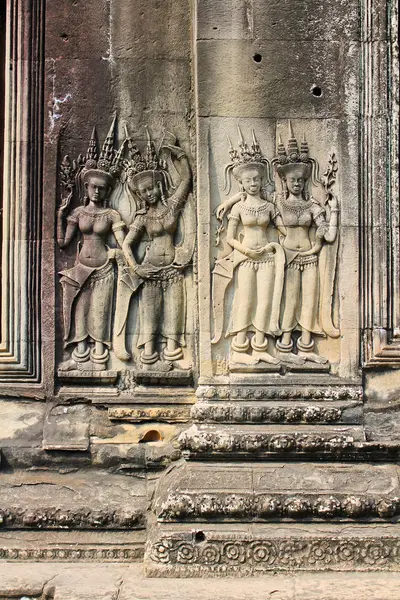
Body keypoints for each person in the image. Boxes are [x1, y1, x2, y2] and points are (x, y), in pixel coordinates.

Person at [212, 129, 285, 365]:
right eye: (248, 180)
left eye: (257, 179)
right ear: (241, 183)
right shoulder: (239, 208)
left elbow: (283, 229)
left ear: (262, 180)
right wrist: (245, 250)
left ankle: (261, 345)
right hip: (245, 257)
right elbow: (230, 239)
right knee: (245, 299)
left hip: (266, 257)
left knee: (264, 300)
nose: (253, 183)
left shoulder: (269, 206)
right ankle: (240, 348)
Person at [57, 122, 126, 371]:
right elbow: (63, 243)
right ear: (86, 188)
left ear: (107, 190)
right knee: (80, 313)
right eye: (93, 186)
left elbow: (122, 242)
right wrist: (60, 216)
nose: (97, 191)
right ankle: (79, 355)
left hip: (105, 269)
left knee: (100, 313)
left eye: (102, 188)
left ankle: (100, 358)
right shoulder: (78, 212)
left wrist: (123, 254)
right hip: (81, 268)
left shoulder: (111, 215)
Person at [122, 131, 192, 371]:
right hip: (150, 271)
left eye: (151, 188)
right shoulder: (143, 217)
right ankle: (149, 359)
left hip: (173, 269)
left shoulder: (173, 206)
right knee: (150, 318)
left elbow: (185, 181)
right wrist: (137, 268)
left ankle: (173, 354)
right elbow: (126, 244)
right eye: (143, 192)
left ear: (159, 185)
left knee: (174, 315)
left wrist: (177, 153)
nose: (148, 194)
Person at [272, 124, 339, 364]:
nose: (297, 183)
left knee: (309, 301)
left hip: (310, 257)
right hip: (290, 258)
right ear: (285, 180)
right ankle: (285, 345)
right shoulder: (278, 203)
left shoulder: (313, 207)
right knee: (290, 301)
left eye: (301, 179)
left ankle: (307, 346)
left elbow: (328, 236)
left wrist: (335, 211)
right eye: (292, 179)